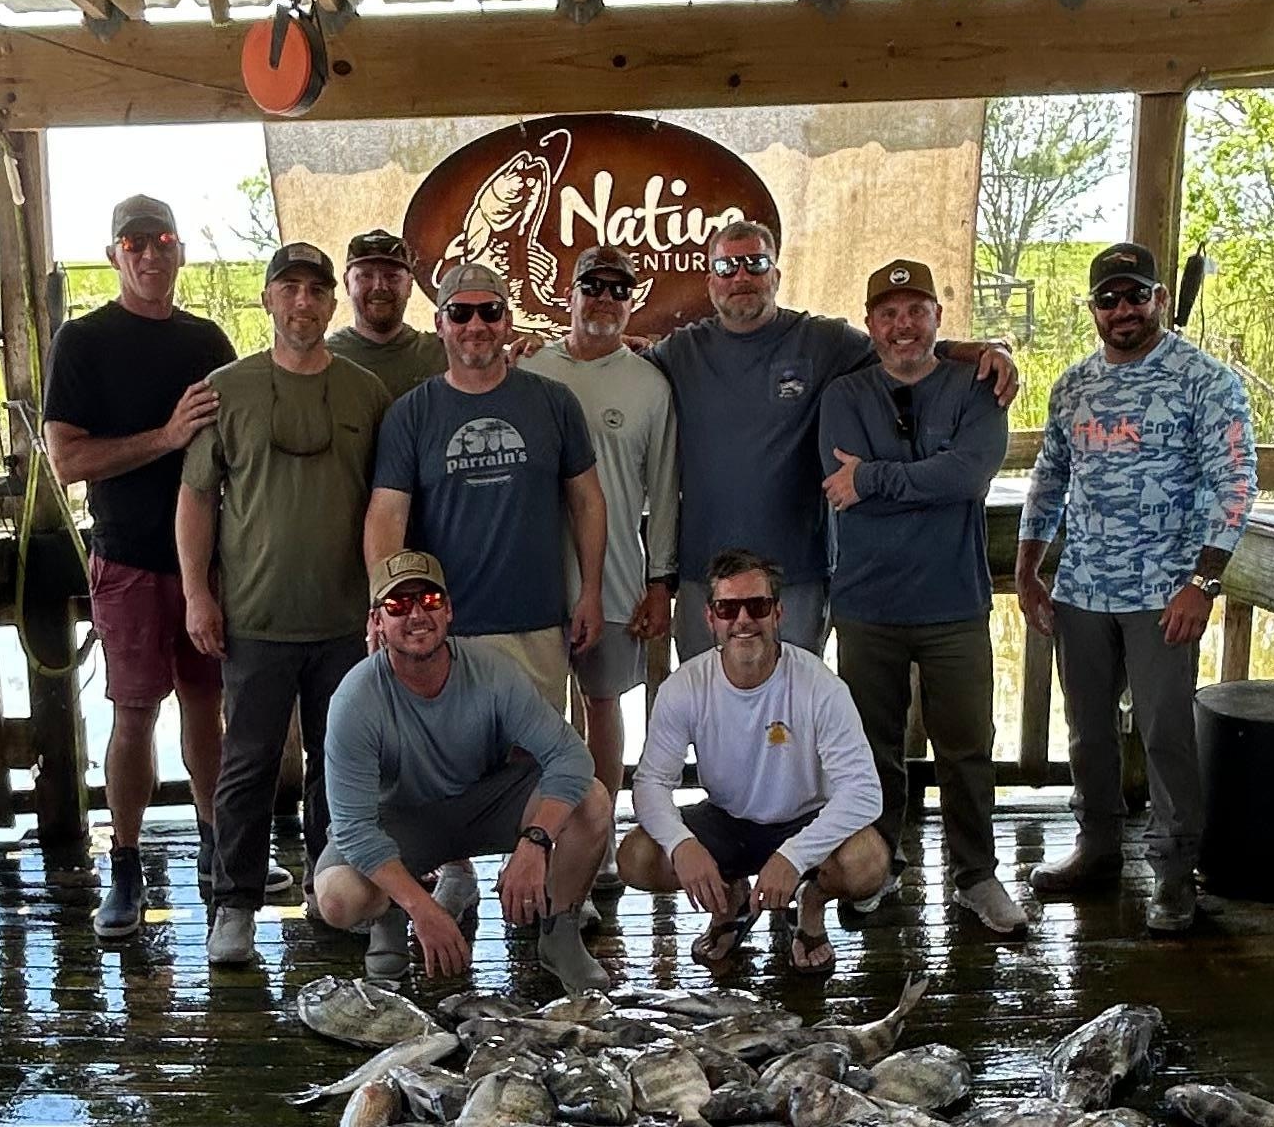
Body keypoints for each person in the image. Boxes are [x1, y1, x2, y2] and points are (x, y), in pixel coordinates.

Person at [1013, 237, 1257, 936]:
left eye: (1136, 296)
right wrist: (1029, 569)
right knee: (1088, 732)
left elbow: (1237, 483)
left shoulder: (1206, 380)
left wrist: (1203, 582)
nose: (1123, 309)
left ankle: (1174, 876)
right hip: (1082, 589)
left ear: (1159, 299)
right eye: (1108, 299)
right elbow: (1049, 480)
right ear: (1092, 308)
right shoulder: (1073, 386)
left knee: (1165, 734)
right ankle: (1097, 849)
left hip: (1164, 594)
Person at [653, 214, 1020, 652]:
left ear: (776, 275)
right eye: (727, 267)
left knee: (798, 696)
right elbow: (618, 369)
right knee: (703, 694)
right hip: (705, 576)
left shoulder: (822, 340)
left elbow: (902, 346)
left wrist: (977, 350)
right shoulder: (680, 351)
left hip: (796, 575)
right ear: (711, 282)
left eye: (756, 263)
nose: (741, 277)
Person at [174, 240, 392, 973]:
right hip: (254, 618)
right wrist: (198, 594)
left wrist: (384, 601)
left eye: (316, 290)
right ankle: (233, 905)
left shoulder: (366, 392)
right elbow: (197, 498)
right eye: (289, 288)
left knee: (343, 764)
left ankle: (333, 890)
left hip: (347, 621)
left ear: (333, 303)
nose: (303, 302)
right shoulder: (226, 388)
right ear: (268, 299)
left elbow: (388, 503)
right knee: (248, 764)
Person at [42, 191, 233, 936]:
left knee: (207, 709)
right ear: (113, 254)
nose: (150, 254)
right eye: (134, 243)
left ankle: (218, 849)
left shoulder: (208, 341)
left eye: (162, 241)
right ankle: (124, 864)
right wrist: (164, 436)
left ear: (180, 251)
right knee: (133, 714)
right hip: (126, 561)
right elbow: (67, 460)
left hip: (207, 566)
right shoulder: (82, 341)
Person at [818, 256, 1024, 940]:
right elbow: (838, 488)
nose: (903, 325)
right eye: (889, 314)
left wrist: (875, 478)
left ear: (939, 316)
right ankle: (880, 865)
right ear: (870, 324)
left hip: (953, 602)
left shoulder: (976, 386)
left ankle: (976, 875)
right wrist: (915, 481)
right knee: (871, 748)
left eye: (916, 311)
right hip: (867, 603)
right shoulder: (844, 396)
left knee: (967, 746)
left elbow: (968, 477)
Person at [314, 549, 612, 995]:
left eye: (430, 600)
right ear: (377, 622)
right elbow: (354, 828)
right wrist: (422, 908)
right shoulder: (354, 700)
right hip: (400, 823)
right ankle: (389, 919)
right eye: (398, 604)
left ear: (449, 610)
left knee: (592, 800)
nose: (417, 614)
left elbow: (571, 757)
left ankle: (560, 936)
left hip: (484, 802)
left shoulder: (492, 670)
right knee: (338, 897)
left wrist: (536, 840)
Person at [621, 544, 889, 978]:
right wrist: (682, 845)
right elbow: (651, 782)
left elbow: (863, 793)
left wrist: (794, 856)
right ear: (710, 618)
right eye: (728, 608)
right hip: (726, 819)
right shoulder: (684, 686)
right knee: (636, 855)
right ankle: (731, 900)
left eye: (757, 606)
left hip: (803, 819)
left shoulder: (820, 686)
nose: (743, 619)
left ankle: (811, 903)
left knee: (869, 862)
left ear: (777, 613)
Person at [363, 262, 605, 719]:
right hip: (443, 626)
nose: (475, 325)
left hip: (537, 624)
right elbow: (387, 515)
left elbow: (587, 502)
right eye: (460, 313)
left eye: (489, 312)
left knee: (538, 754)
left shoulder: (554, 402)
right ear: (440, 324)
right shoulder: (410, 414)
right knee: (452, 756)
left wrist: (591, 591)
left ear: (507, 321)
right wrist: (384, 604)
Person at [536, 246, 679, 865]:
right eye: (592, 287)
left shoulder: (650, 384)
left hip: (616, 577)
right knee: (537, 717)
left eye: (619, 290)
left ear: (632, 302)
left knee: (602, 707)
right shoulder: (530, 368)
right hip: (535, 579)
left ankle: (595, 850)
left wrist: (660, 581)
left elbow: (665, 492)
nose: (604, 300)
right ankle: (541, 845)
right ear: (568, 296)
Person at [335, 227, 446, 399]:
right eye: (366, 276)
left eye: (392, 276)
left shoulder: (442, 355)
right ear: (347, 284)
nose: (379, 286)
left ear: (409, 285)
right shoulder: (326, 359)